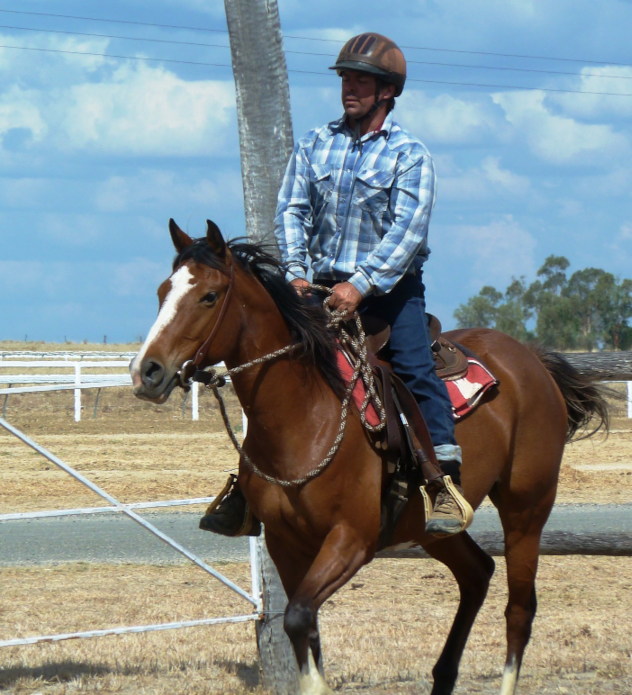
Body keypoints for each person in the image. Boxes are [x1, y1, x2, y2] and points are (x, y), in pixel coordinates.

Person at [200, 32, 472, 539]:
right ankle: (250, 483)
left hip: (389, 293)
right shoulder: (314, 143)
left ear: (387, 91)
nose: (350, 88)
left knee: (414, 368)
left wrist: (361, 285)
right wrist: (297, 274)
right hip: (315, 287)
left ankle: (442, 482)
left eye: (362, 80)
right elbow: (292, 210)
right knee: (275, 370)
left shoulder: (410, 154)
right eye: (346, 78)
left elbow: (408, 231)